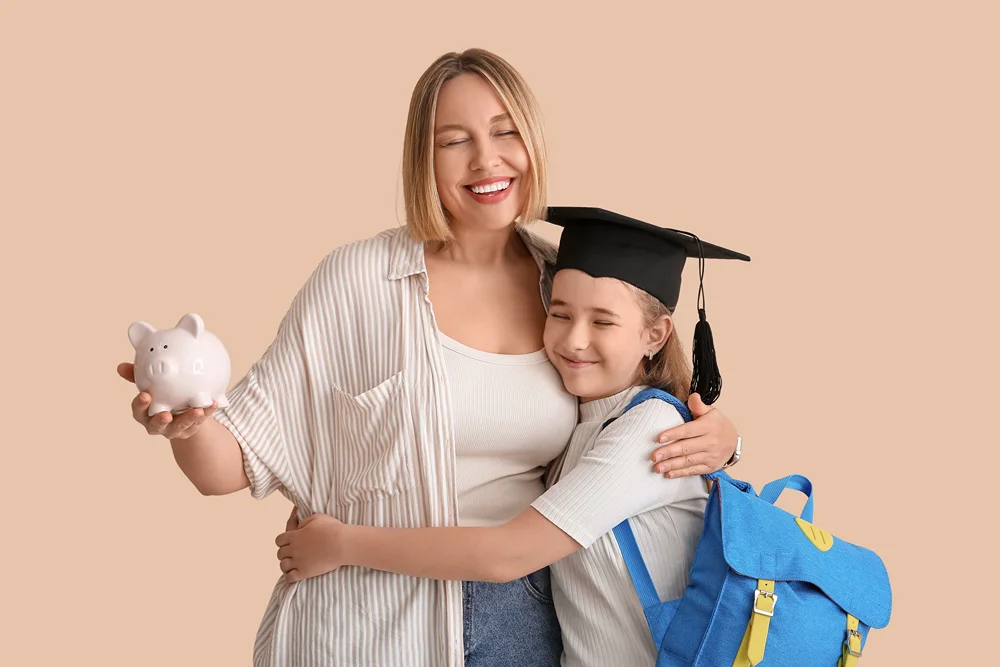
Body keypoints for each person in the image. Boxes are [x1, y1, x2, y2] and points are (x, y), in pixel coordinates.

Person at [117, 49, 742, 667]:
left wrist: (722, 440)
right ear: (425, 155)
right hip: (365, 621)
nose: (486, 159)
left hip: (518, 621)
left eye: (505, 132)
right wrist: (190, 425)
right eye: (454, 140)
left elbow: (629, 413)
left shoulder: (566, 287)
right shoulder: (358, 281)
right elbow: (227, 464)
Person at [273, 207, 749, 667]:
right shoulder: (579, 429)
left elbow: (508, 555)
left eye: (602, 321)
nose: (574, 340)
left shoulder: (651, 432)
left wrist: (341, 545)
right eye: (560, 314)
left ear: (656, 335)